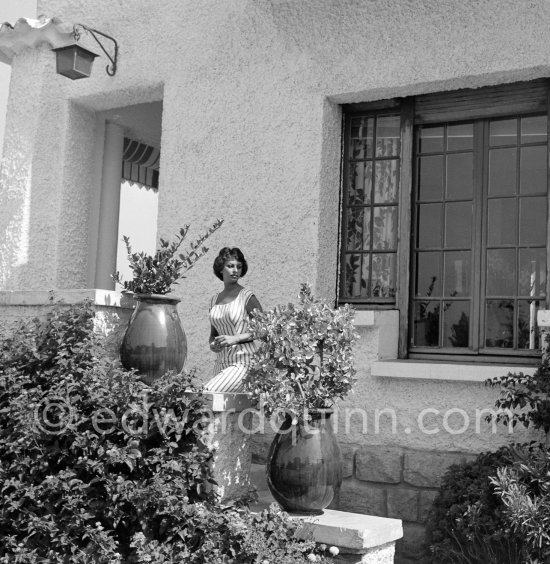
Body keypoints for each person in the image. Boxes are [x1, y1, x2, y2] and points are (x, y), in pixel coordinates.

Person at [204, 247, 262, 393]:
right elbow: (214, 334)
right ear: (221, 269)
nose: (235, 270)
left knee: (207, 393)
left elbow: (264, 330)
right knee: (219, 412)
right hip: (221, 363)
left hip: (244, 363)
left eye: (239, 266)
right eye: (230, 266)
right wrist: (212, 344)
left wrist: (235, 339)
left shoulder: (247, 296)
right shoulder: (214, 301)